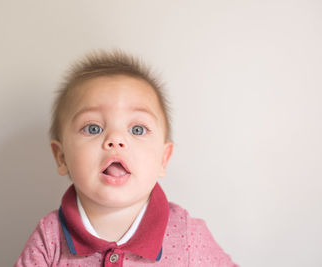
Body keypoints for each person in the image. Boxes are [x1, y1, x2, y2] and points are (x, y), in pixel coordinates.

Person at [14, 50, 238, 267]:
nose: (116, 140)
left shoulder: (187, 235)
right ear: (61, 157)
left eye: (138, 129)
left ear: (163, 158)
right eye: (93, 128)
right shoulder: (49, 237)